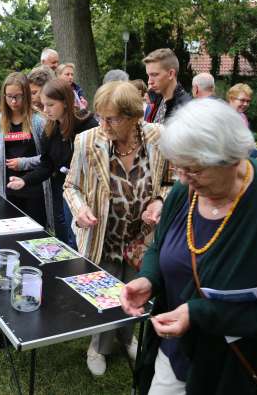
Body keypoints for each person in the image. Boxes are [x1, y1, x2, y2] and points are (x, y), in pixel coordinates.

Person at [120, 99, 257, 394]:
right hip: (175, 354)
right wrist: (149, 278)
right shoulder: (186, 191)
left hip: (233, 371)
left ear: (233, 159)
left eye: (194, 170)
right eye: (179, 168)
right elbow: (161, 247)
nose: (183, 179)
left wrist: (199, 314)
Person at [63, 81, 169, 376]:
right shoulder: (86, 141)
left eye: (111, 118)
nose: (103, 124)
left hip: (141, 238)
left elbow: (171, 181)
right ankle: (97, 346)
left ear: (134, 116)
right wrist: (80, 209)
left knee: (135, 290)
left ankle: (127, 337)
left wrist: (159, 201)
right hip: (103, 237)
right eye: (100, 116)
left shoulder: (158, 138)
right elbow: (71, 186)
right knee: (106, 296)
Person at [7, 79, 98, 248]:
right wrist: (25, 180)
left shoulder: (88, 126)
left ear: (65, 102)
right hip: (61, 192)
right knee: (64, 236)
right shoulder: (50, 129)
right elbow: (47, 165)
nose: (45, 110)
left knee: (81, 240)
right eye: (43, 105)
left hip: (86, 194)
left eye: (50, 105)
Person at [0, 72, 53, 229]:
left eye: (18, 96)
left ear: (26, 95)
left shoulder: (39, 122)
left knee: (35, 235)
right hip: (8, 192)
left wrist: (24, 163)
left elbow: (49, 159)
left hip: (34, 192)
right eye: (9, 96)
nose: (13, 101)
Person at [143, 48, 191, 123]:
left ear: (171, 74)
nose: (149, 81)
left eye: (155, 75)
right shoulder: (157, 98)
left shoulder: (185, 108)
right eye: (148, 75)